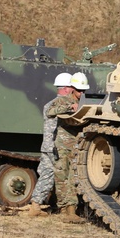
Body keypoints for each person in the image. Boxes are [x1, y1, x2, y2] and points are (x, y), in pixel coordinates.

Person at [23, 72, 72, 217]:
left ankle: (35, 206)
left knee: (46, 176)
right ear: (67, 88)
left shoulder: (48, 104)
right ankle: (66, 209)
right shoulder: (64, 105)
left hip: (47, 147)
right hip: (57, 148)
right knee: (64, 178)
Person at [46, 71, 88, 222]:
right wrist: (70, 108)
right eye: (79, 90)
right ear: (72, 89)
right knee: (62, 176)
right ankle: (63, 209)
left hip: (78, 145)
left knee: (73, 178)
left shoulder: (85, 102)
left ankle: (72, 210)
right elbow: (50, 111)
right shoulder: (63, 101)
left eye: (84, 91)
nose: (82, 93)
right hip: (63, 145)